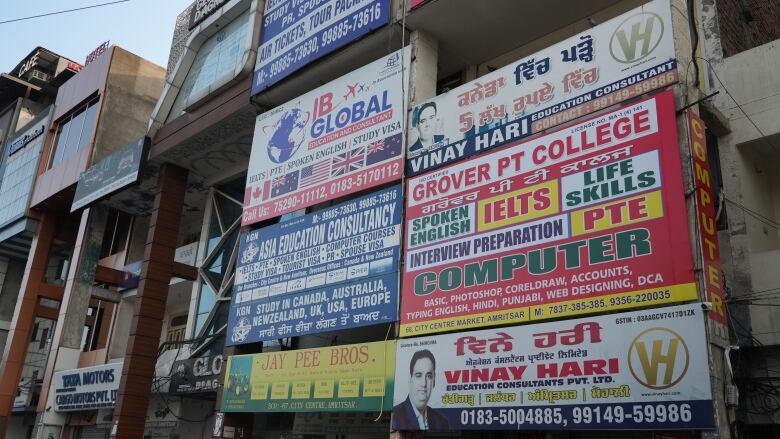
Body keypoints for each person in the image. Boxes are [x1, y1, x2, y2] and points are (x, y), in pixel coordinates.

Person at [392, 349, 450, 431]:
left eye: (429, 376)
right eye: (418, 375)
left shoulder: (441, 422)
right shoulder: (395, 417)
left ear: (434, 380)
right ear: (410, 378)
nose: (424, 383)